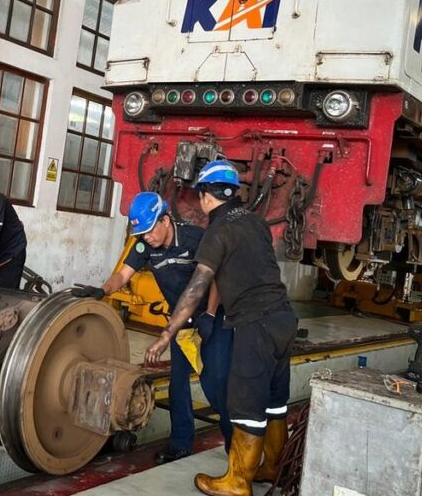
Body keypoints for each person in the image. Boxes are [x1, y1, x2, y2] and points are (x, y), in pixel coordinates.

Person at [144, 160, 297, 496]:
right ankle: (272, 466)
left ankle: (238, 481)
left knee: (246, 406)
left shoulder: (217, 231)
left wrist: (167, 334)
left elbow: (196, 288)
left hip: (255, 324)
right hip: (284, 318)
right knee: (275, 403)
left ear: (205, 197)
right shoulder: (255, 222)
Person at [77, 191, 232, 463]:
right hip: (181, 323)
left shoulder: (196, 238)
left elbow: (217, 276)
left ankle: (237, 445)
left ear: (165, 220)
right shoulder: (144, 245)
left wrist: (209, 314)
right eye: (142, 233)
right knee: (178, 384)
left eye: (149, 230)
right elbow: (123, 275)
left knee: (216, 384)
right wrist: (103, 290)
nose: (146, 237)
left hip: (211, 320)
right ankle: (180, 443)